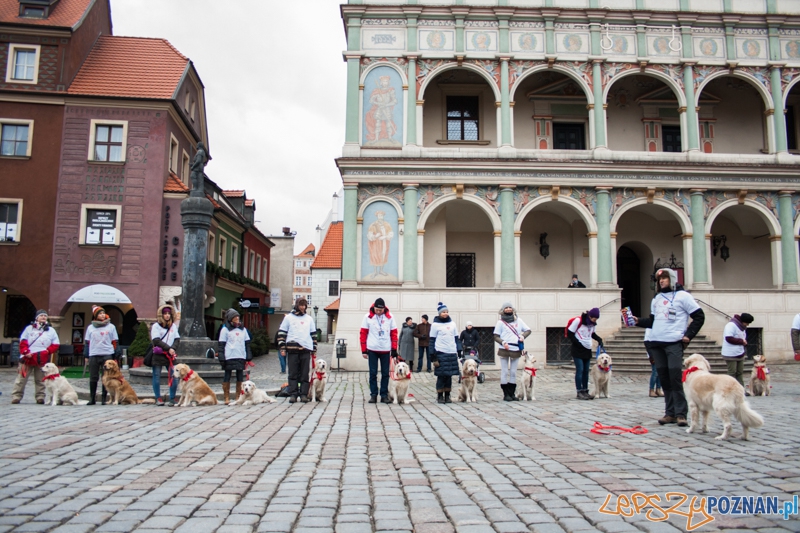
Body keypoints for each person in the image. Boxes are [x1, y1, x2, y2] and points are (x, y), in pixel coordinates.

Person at [633, 268, 705, 427]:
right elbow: (652, 321)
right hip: (657, 342)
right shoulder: (656, 298)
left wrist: (689, 335)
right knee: (664, 378)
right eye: (659, 279)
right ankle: (670, 412)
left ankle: (681, 413)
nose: (661, 281)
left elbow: (699, 316)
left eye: (665, 278)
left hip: (673, 342)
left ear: (672, 279)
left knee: (675, 377)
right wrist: (637, 321)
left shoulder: (684, 296)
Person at [12, 310, 59, 404]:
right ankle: (16, 396)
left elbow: (56, 344)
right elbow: (23, 341)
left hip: (41, 358)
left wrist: (48, 351)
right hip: (27, 358)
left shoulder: (51, 330)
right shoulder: (29, 329)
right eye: (41, 315)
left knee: (40, 379)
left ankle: (40, 397)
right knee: (21, 379)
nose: (43, 317)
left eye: (45, 316)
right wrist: (26, 352)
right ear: (36, 318)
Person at [277, 298, 317, 404]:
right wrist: (282, 348)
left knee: (304, 373)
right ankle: (293, 394)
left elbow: (313, 334)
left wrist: (314, 348)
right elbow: (282, 333)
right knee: (293, 373)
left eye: (304, 305)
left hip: (305, 349)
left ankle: (303, 394)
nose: (303, 307)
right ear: (297, 306)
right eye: (301, 305)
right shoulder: (289, 318)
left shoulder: (309, 319)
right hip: (292, 349)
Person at [360, 298, 398, 404]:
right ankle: (373, 395)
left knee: (385, 374)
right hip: (372, 348)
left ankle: (384, 395)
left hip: (385, 349)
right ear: (374, 307)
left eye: (380, 310)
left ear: (384, 309)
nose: (378, 312)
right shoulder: (367, 317)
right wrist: (364, 350)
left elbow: (394, 333)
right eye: (377, 310)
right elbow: (363, 333)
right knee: (373, 373)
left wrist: (394, 348)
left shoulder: (390, 317)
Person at [493, 303, 531, 402]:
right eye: (506, 307)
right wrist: (503, 342)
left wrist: (522, 336)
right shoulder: (500, 322)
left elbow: (528, 330)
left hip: (515, 348)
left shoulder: (518, 320)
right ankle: (506, 394)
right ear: (503, 310)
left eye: (510, 307)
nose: (509, 309)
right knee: (505, 371)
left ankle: (512, 393)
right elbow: (496, 336)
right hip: (504, 349)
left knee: (513, 372)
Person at [84, 305, 119, 405]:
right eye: (100, 313)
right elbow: (87, 342)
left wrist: (116, 353)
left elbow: (115, 341)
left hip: (107, 353)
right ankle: (92, 398)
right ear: (95, 315)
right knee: (93, 377)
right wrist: (86, 355)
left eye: (103, 313)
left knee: (106, 377)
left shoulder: (111, 326)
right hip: (94, 353)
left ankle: (104, 398)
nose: (102, 315)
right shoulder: (90, 327)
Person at [566, 308, 603, 400]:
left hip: (587, 348)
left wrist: (599, 339)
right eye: (594, 319)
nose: (595, 321)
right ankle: (579, 391)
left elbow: (592, 334)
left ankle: (585, 390)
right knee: (580, 370)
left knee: (586, 371)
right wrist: (577, 343)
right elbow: (570, 333)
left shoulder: (592, 324)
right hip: (577, 348)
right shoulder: (579, 321)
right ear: (590, 316)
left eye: (596, 319)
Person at [219, 308, 254, 405]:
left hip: (240, 355)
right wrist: (221, 356)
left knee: (240, 376)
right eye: (235, 317)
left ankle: (238, 396)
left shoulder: (243, 329)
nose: (237, 318)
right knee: (227, 376)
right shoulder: (225, 329)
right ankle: (226, 396)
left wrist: (248, 355)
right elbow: (221, 344)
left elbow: (247, 343)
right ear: (231, 319)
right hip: (229, 355)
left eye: (238, 316)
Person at [430, 302, 460, 404]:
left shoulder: (452, 324)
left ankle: (447, 395)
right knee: (441, 375)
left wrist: (459, 349)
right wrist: (432, 354)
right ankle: (440, 395)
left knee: (449, 375)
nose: (445, 314)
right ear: (439, 313)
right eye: (443, 312)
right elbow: (432, 340)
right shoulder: (435, 325)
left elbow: (456, 338)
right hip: (440, 352)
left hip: (451, 352)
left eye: (446, 312)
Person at [150, 304, 180, 406]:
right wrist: (168, 348)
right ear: (161, 315)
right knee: (157, 376)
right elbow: (156, 340)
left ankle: (172, 397)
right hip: (159, 354)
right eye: (165, 314)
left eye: (168, 314)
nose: (167, 316)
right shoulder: (156, 326)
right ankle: (158, 397)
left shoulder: (173, 326)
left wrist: (173, 348)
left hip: (170, 355)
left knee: (175, 376)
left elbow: (177, 339)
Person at [722, 313, 754, 394]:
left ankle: (741, 390)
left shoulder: (742, 327)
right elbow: (728, 338)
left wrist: (744, 342)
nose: (748, 325)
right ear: (743, 321)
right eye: (747, 323)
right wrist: (741, 341)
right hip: (730, 353)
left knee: (739, 373)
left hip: (739, 353)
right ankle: (729, 390)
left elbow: (741, 337)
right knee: (732, 373)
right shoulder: (731, 325)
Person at [645, 328, 662, 398]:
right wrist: (652, 356)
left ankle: (658, 389)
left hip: (661, 351)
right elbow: (647, 342)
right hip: (654, 353)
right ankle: (651, 390)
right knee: (655, 372)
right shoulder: (649, 328)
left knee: (660, 372)